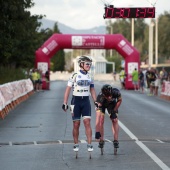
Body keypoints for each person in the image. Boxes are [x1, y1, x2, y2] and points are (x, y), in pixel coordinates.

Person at [62, 55, 97, 152]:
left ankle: (89, 144)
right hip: (75, 102)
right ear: (81, 64)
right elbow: (68, 89)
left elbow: (92, 90)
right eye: (87, 64)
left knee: (87, 122)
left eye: (90, 64)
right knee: (76, 124)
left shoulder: (90, 76)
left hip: (86, 101)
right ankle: (76, 143)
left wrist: (95, 101)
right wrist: (65, 102)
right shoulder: (74, 75)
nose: (89, 66)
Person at [95, 84, 122, 150]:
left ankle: (116, 140)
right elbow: (97, 118)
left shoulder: (116, 92)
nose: (109, 97)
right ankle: (101, 140)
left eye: (110, 95)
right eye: (107, 96)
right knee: (101, 121)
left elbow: (119, 100)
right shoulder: (100, 97)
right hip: (102, 105)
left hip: (112, 104)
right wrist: (97, 131)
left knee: (115, 120)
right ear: (104, 95)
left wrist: (114, 110)